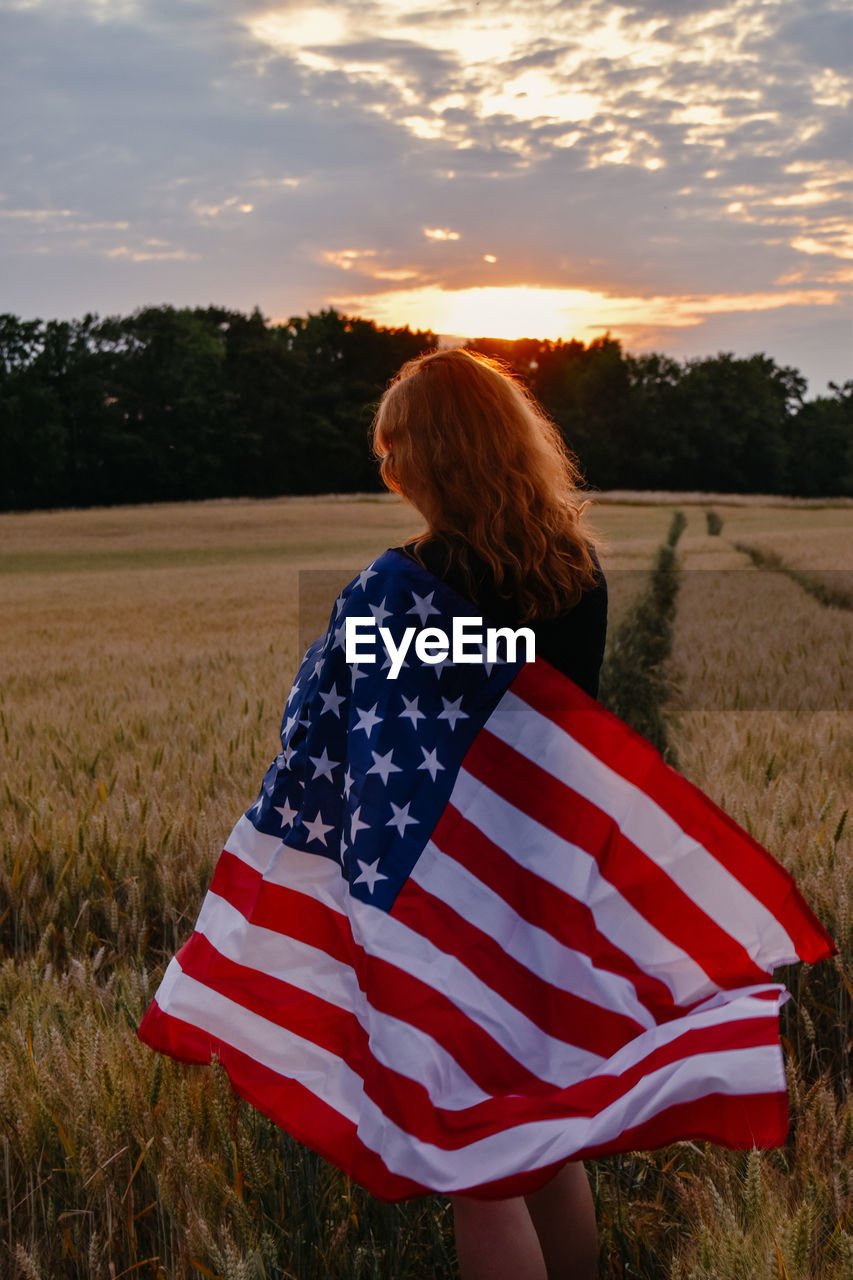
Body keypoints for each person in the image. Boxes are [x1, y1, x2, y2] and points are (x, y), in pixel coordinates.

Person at [371, 346, 604, 1279]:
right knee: (544, 1125)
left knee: (478, 1158)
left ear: (433, 457)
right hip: (548, 866)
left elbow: (379, 738)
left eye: (395, 448)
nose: (386, 469)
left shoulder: (411, 582)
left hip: (454, 882)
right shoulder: (574, 566)